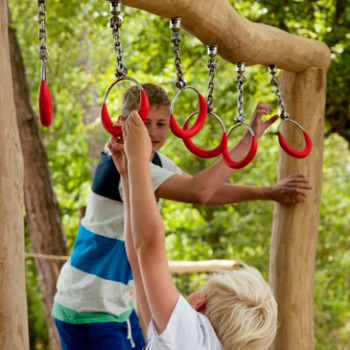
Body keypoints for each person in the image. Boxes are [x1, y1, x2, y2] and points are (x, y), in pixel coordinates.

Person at [52, 84, 311, 350]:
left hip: (109, 299)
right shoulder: (126, 165)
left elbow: (207, 191)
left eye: (161, 123)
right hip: (92, 300)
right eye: (146, 122)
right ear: (125, 125)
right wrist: (247, 141)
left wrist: (266, 191)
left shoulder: (152, 164)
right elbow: (199, 191)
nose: (153, 131)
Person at [110, 111, 278, 349]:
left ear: (200, 302)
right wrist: (128, 174)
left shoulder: (191, 338)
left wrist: (138, 159)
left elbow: (148, 246)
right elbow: (139, 263)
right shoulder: (190, 342)